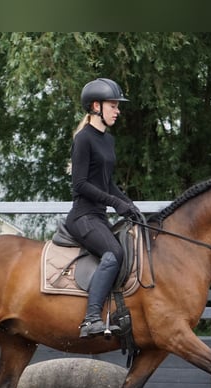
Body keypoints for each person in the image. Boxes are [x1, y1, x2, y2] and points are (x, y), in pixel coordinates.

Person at [66, 78, 142, 338]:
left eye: (117, 106)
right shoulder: (84, 139)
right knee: (113, 253)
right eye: (113, 105)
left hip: (98, 216)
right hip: (83, 216)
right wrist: (115, 203)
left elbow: (108, 184)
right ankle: (90, 319)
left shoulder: (107, 141)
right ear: (95, 106)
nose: (117, 111)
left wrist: (130, 206)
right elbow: (80, 185)